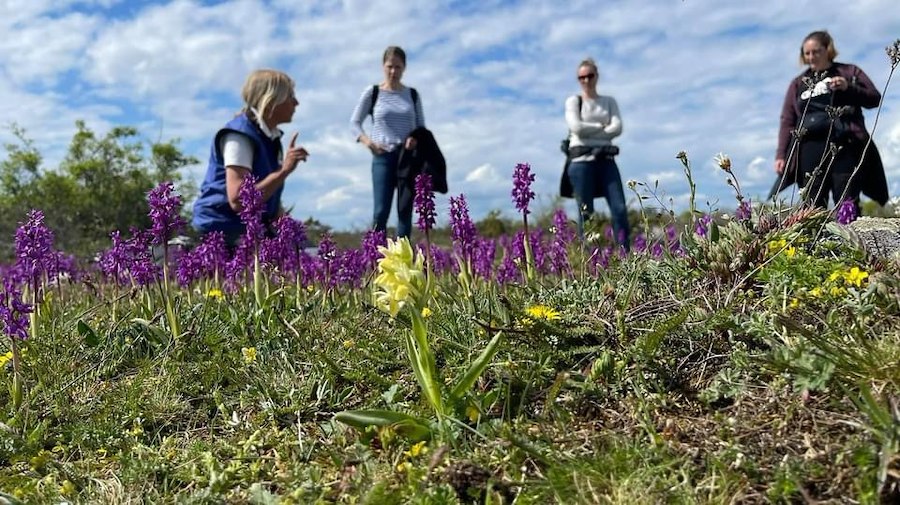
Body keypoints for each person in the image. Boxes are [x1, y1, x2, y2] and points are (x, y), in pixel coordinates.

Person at [773, 30, 888, 212]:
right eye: (807, 53)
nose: (811, 57)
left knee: (847, 200)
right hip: (809, 149)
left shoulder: (849, 71)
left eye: (816, 51)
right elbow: (787, 119)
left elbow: (874, 98)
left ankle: (849, 229)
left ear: (828, 49)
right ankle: (814, 231)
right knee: (811, 205)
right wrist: (781, 155)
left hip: (844, 145)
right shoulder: (798, 83)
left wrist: (848, 87)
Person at [192, 69, 308, 246]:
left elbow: (269, 198)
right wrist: (284, 171)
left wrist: (293, 232)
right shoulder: (239, 136)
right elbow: (238, 200)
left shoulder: (271, 137)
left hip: (252, 228)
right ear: (270, 99)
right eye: (290, 96)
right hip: (223, 230)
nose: (296, 103)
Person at [350, 46, 426, 239]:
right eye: (390, 66)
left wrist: (415, 138)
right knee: (380, 212)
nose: (393, 71)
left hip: (407, 158)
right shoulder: (373, 92)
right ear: (383, 66)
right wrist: (369, 142)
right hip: (382, 157)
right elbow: (354, 123)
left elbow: (421, 128)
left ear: (404, 68)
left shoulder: (412, 95)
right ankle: (375, 253)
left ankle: (404, 254)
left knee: (405, 211)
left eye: (398, 67)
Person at [560, 58, 630, 248]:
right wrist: (602, 126)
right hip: (580, 163)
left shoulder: (609, 101)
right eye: (581, 77)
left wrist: (588, 129)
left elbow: (617, 128)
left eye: (590, 76)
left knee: (619, 209)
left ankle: (626, 254)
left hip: (606, 161)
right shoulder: (574, 101)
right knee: (586, 213)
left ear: (597, 76)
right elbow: (576, 127)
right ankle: (590, 258)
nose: (586, 80)